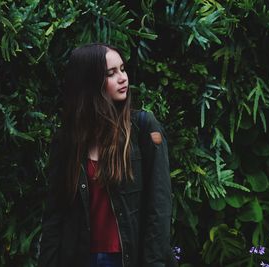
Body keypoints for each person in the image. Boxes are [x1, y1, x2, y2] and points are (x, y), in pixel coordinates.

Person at [38, 43, 175, 267]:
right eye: (111, 73)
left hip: (128, 259)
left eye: (122, 69)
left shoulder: (142, 128)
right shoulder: (67, 141)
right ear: (89, 82)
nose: (122, 78)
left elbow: (159, 208)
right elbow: (55, 215)